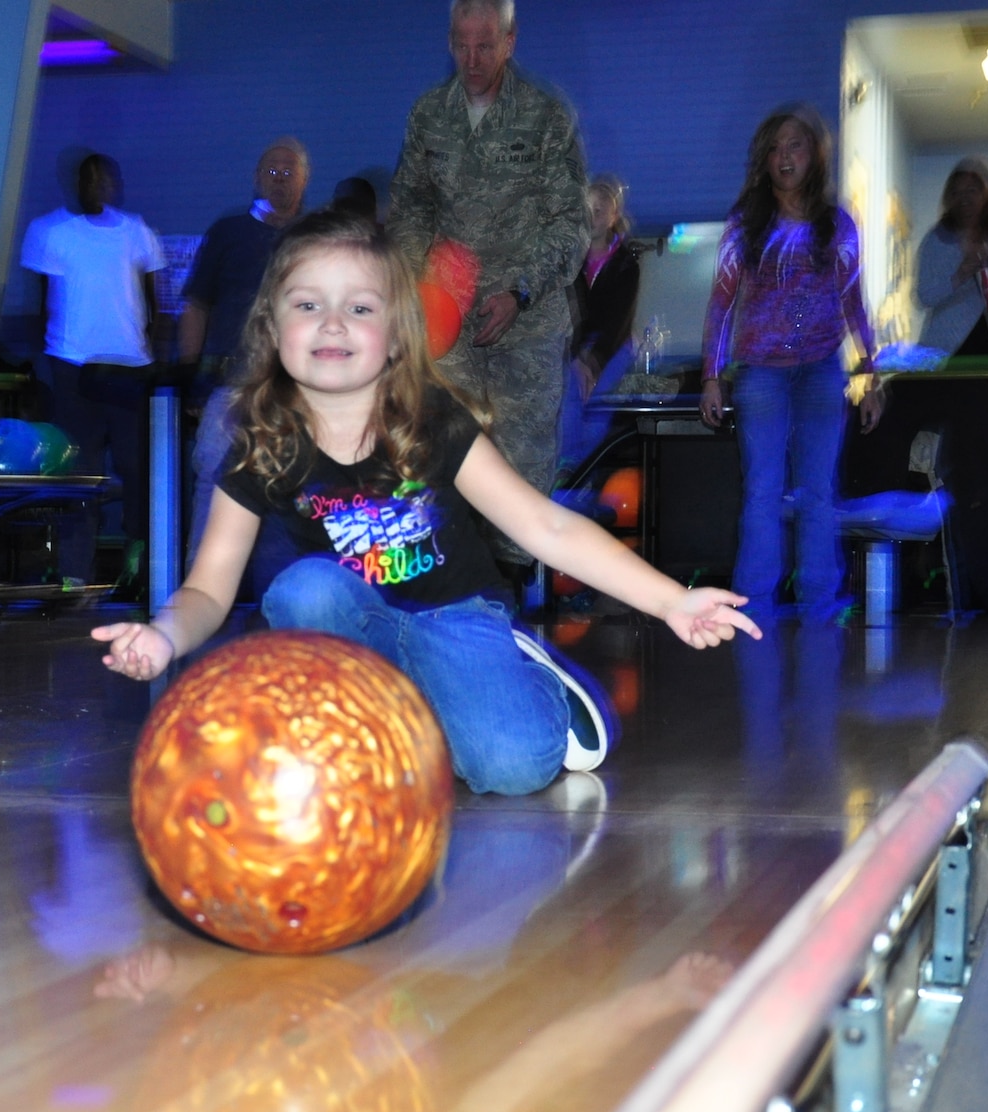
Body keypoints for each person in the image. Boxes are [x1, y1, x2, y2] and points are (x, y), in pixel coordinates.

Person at [93, 212, 757, 794]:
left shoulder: (428, 419)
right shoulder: (264, 441)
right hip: (357, 627)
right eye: (308, 305)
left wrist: (670, 601)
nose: (333, 322)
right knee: (303, 592)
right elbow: (208, 587)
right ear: (272, 327)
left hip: (455, 615)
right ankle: (385, 718)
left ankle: (528, 677)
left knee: (515, 767)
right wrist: (164, 635)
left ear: (395, 334)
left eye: (360, 308)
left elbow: (546, 527)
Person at [388, 0, 590, 570]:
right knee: (440, 457)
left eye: (484, 46)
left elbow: (569, 223)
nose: (472, 59)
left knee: (521, 474)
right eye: (461, 45)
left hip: (525, 325)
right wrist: (420, 287)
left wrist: (520, 291)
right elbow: (409, 208)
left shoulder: (545, 115)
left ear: (509, 42)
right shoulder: (429, 114)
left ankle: (513, 597)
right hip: (447, 324)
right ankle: (449, 591)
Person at [699, 105, 881, 623]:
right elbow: (721, 302)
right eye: (775, 148)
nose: (784, 157)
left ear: (814, 155)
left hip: (821, 369)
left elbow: (853, 302)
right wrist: (712, 377)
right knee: (762, 490)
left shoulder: (837, 225)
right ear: (763, 160)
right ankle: (754, 605)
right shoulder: (746, 225)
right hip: (761, 372)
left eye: (794, 145)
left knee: (819, 490)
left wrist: (870, 374)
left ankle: (820, 605)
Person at [20, 153, 166, 578]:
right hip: (73, 366)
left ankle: (140, 565)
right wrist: (43, 362)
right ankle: (74, 572)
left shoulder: (137, 231)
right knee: (80, 471)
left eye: (103, 180)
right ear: (75, 184)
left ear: (115, 184)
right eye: (88, 180)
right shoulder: (49, 231)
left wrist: (154, 357)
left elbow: (154, 301)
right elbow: (41, 301)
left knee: (137, 469)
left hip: (130, 368)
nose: (95, 187)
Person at [908, 157, 988, 612]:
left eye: (973, 190)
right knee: (960, 461)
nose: (965, 198)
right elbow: (924, 295)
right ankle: (955, 570)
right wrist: (963, 272)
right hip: (948, 361)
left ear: (987, 194)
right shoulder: (936, 240)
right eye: (957, 190)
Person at [180, 139, 310, 572]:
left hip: (295, 390)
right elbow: (197, 305)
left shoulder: (313, 238)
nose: (280, 179)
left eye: (289, 172)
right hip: (230, 384)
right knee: (214, 480)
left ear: (304, 180)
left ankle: (286, 598)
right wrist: (193, 375)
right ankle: (203, 592)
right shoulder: (228, 232)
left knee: (292, 490)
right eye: (272, 171)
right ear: (256, 178)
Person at [559, 173, 642, 475]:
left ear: (613, 216)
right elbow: (568, 315)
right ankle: (569, 471)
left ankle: (584, 471)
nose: (591, 217)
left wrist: (593, 361)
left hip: (613, 345)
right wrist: (578, 357)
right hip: (576, 345)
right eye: (587, 209)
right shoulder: (570, 262)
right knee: (570, 394)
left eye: (599, 210)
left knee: (599, 404)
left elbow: (617, 321)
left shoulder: (626, 264)